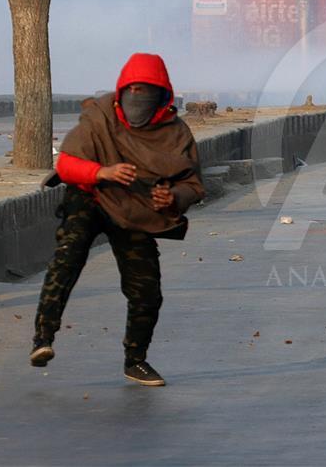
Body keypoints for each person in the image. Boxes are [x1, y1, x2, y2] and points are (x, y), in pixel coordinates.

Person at [30, 53, 204, 386]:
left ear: (162, 96)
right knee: (68, 255)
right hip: (90, 194)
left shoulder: (176, 133)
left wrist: (172, 198)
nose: (139, 97)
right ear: (122, 90)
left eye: (147, 91)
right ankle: (43, 338)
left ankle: (135, 360)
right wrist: (102, 171)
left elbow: (192, 184)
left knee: (146, 288)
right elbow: (66, 165)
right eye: (133, 89)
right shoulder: (100, 117)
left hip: (136, 208)